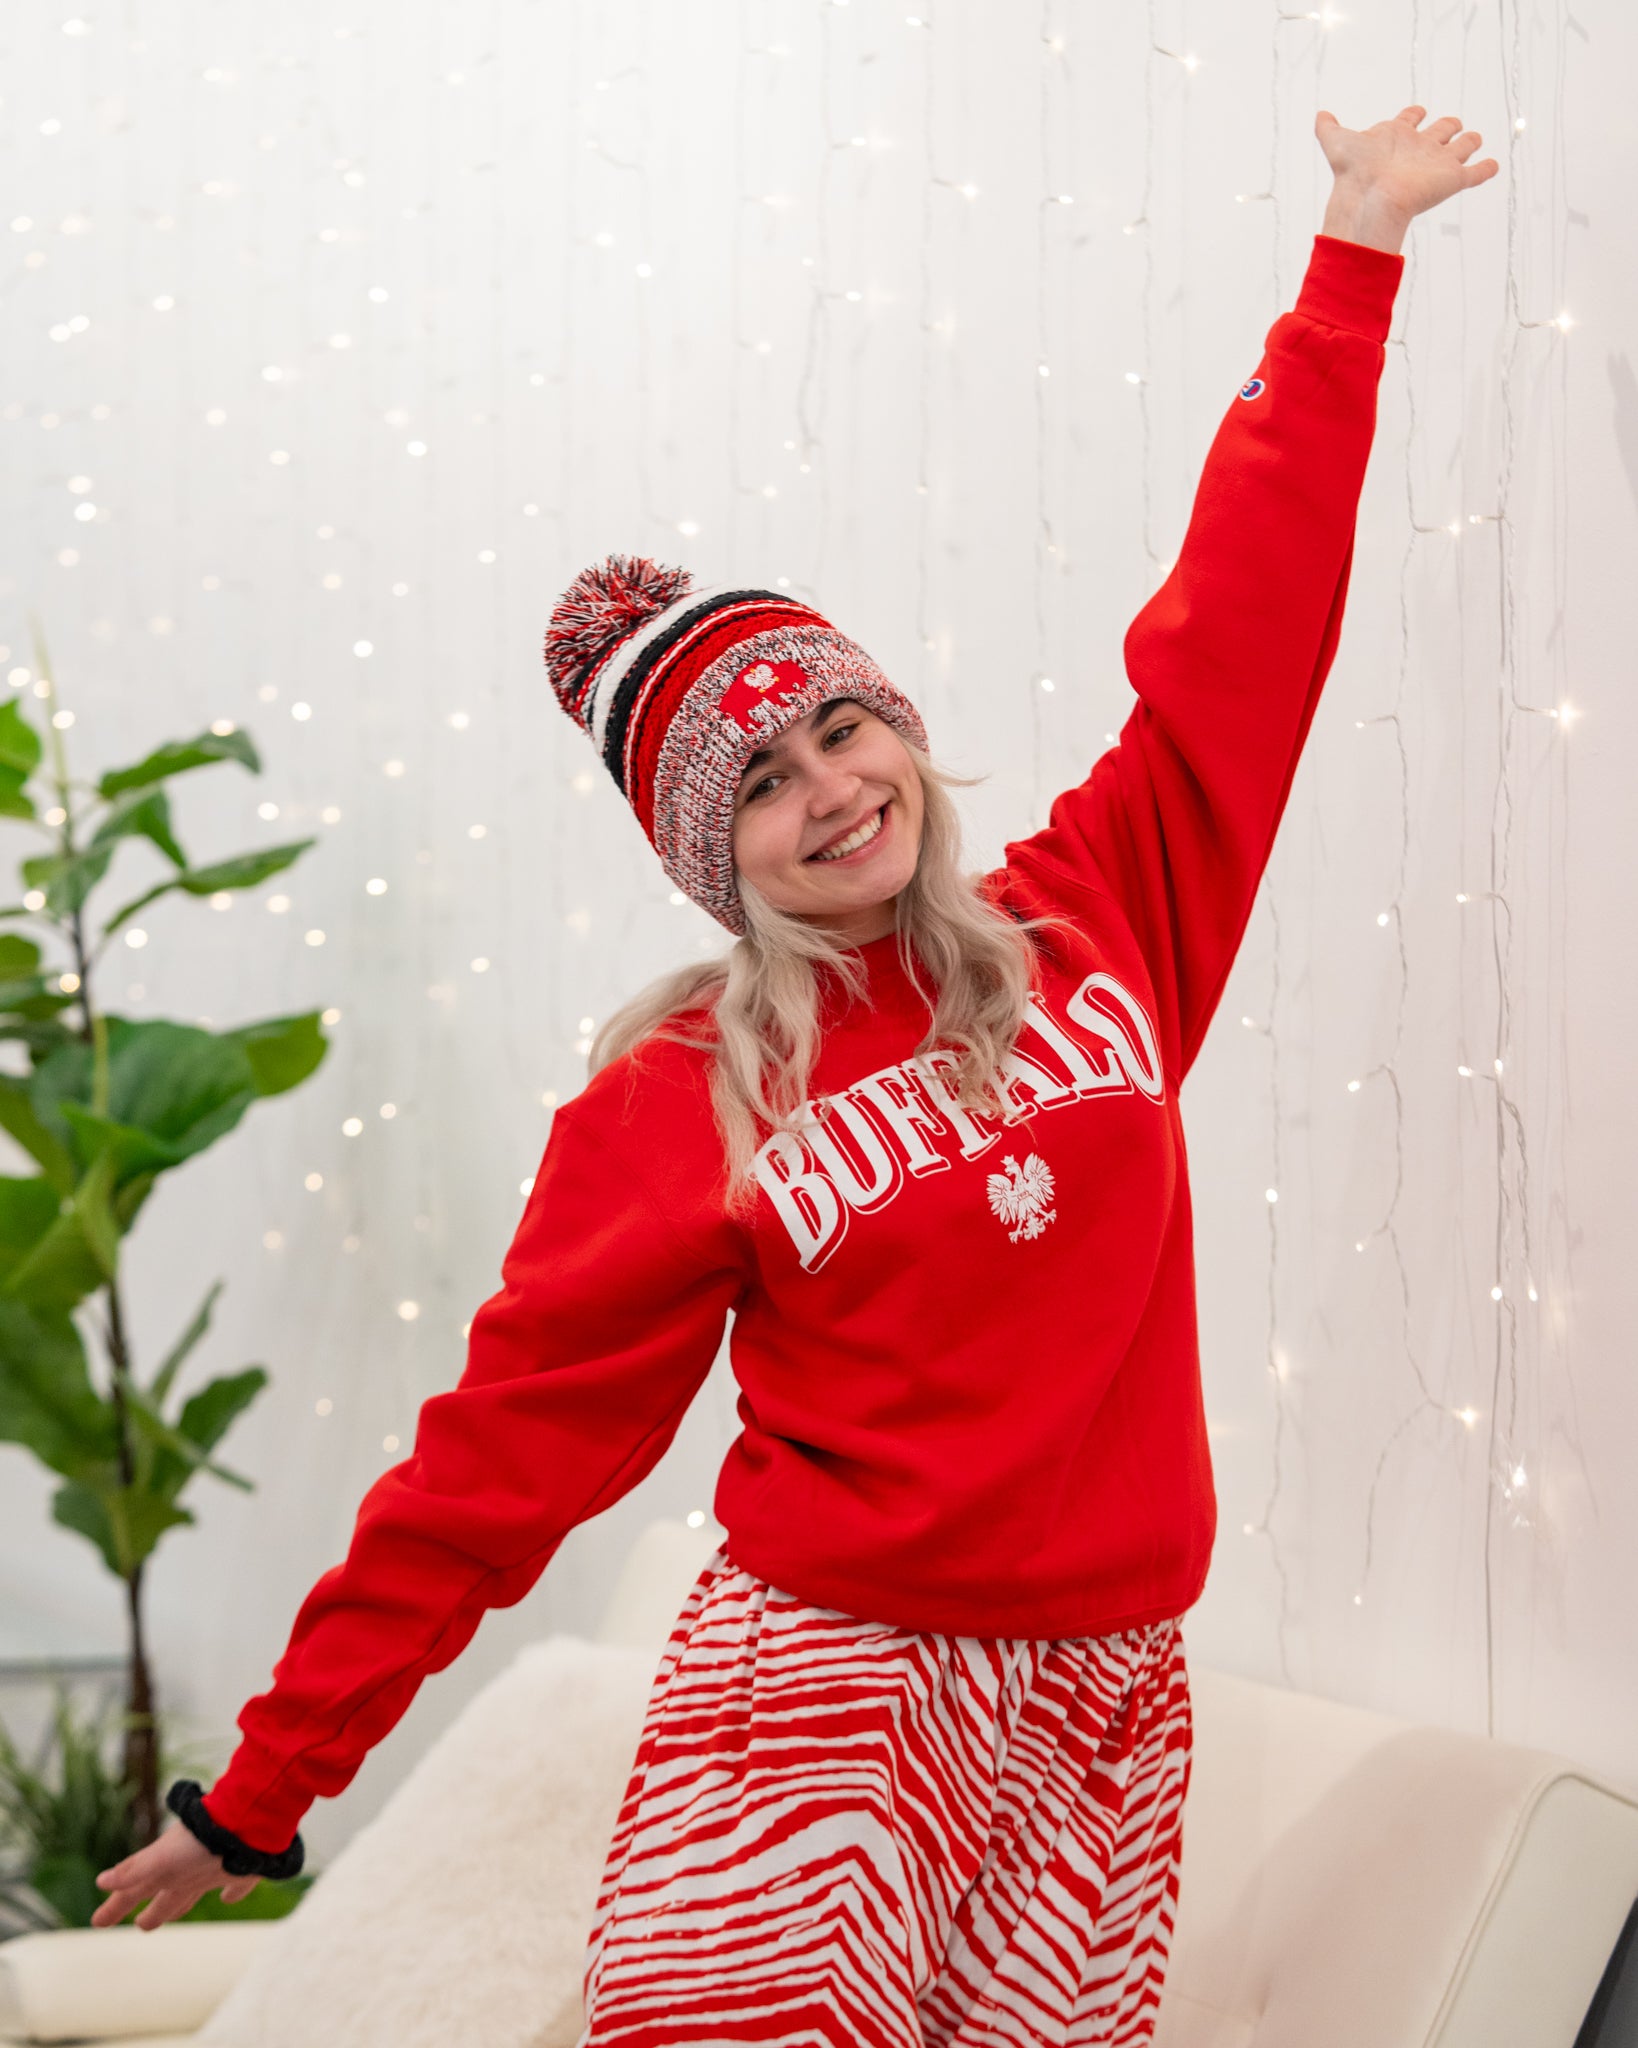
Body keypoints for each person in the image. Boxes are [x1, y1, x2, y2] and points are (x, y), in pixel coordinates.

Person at [93, 105, 1495, 2047]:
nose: (832, 788)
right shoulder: (682, 1092)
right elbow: (499, 1463)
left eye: (843, 726)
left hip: (1103, 1701)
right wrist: (259, 1790)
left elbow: (1242, 625)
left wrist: (1351, 264)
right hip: (821, 1700)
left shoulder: (1107, 908)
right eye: (759, 780)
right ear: (709, 850)